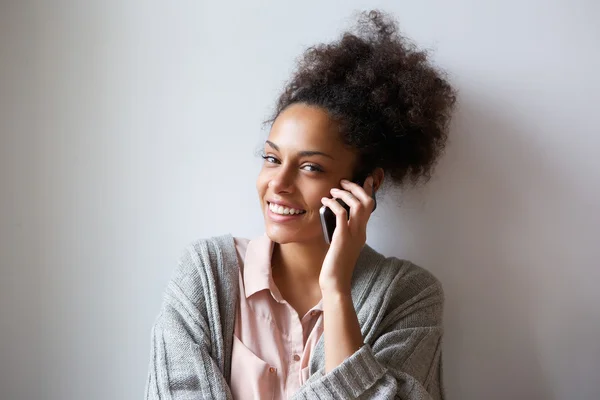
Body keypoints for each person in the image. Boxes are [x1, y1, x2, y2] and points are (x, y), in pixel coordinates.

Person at [145, 9, 457, 400]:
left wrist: (337, 289)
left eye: (310, 167)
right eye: (272, 158)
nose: (278, 183)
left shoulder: (410, 295)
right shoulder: (206, 275)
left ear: (367, 184)